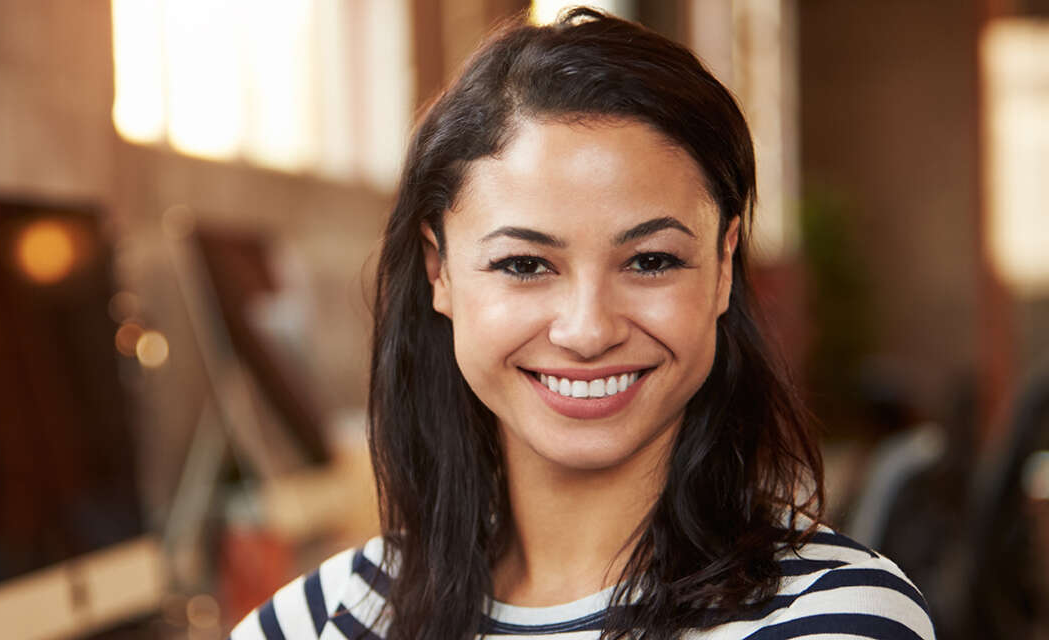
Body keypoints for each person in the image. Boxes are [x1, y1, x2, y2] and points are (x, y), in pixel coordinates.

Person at [230, 8, 935, 640]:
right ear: (439, 270)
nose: (588, 329)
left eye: (652, 260)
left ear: (723, 268)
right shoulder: (324, 619)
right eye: (525, 265)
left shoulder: (832, 617)